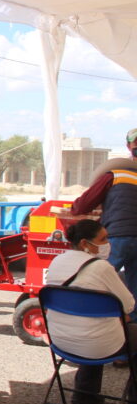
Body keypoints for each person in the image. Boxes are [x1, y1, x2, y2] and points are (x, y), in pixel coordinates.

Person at [45, 219, 137, 404]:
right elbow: (129, 305)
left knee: (90, 325)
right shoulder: (101, 267)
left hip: (61, 341)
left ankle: (84, 395)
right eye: (103, 239)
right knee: (102, 330)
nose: (108, 243)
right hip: (97, 344)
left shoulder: (57, 261)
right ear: (85, 243)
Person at [72, 129, 137, 306]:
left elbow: (83, 205)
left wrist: (74, 208)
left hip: (118, 236)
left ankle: (85, 312)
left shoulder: (116, 175)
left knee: (97, 277)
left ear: (129, 147)